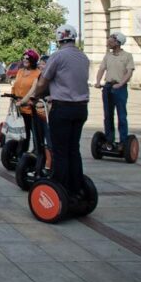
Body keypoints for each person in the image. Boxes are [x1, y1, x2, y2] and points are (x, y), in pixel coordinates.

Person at [33, 25, 89, 196]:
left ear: (59, 39)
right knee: (73, 149)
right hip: (81, 108)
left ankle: (61, 188)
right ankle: (76, 186)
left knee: (60, 151)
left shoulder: (57, 56)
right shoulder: (83, 56)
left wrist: (36, 95)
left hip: (63, 108)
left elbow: (43, 81)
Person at [94, 31, 135, 151]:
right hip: (108, 87)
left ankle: (123, 142)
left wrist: (121, 84)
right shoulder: (108, 56)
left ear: (118, 42)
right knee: (108, 116)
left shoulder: (127, 56)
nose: (108, 42)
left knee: (121, 116)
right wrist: (98, 81)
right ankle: (109, 140)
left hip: (120, 88)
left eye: (111, 40)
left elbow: (129, 72)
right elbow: (101, 69)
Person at [21, 54, 52, 170]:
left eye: (44, 64)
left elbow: (57, 92)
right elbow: (33, 91)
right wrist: (24, 101)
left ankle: (49, 163)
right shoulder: (39, 77)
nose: (41, 66)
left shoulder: (52, 78)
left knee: (48, 138)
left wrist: (51, 98)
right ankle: (40, 161)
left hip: (47, 112)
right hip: (37, 110)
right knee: (38, 137)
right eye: (41, 64)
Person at [11, 49, 40, 153]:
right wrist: (12, 98)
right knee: (22, 133)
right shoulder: (20, 71)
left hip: (31, 108)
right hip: (19, 107)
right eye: (23, 58)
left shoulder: (38, 73)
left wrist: (23, 101)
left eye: (27, 59)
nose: (25, 60)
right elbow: (15, 86)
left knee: (33, 133)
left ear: (33, 60)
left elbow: (33, 91)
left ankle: (36, 152)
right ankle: (20, 152)